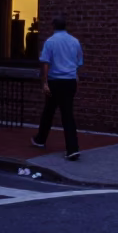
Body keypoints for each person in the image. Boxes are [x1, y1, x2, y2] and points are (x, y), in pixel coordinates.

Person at [30, 16, 83, 161]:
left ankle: (41, 139)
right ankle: (72, 148)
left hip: (55, 81)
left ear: (53, 26)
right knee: (67, 114)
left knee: (49, 111)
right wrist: (75, 76)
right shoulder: (75, 41)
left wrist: (44, 82)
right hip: (70, 81)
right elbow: (79, 61)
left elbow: (45, 63)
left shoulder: (50, 42)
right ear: (65, 26)